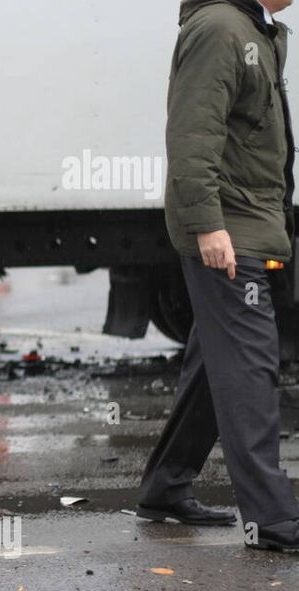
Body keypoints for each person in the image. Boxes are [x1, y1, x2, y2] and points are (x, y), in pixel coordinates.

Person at [139, 0, 299, 553]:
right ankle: (274, 521)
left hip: (249, 222)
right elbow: (191, 136)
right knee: (253, 370)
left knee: (216, 364)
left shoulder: (253, 28)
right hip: (230, 231)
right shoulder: (220, 29)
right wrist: (208, 225)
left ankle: (164, 488)